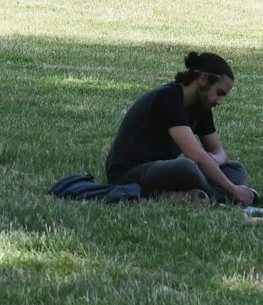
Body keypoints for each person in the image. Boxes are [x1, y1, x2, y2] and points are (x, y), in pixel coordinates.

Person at [102, 52, 253, 205]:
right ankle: (220, 197)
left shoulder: (201, 106)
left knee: (236, 169)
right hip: (127, 174)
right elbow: (196, 156)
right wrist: (233, 189)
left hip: (161, 171)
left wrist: (215, 159)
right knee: (186, 167)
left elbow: (218, 150)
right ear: (203, 79)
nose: (219, 101)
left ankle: (180, 195)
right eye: (219, 93)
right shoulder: (168, 99)